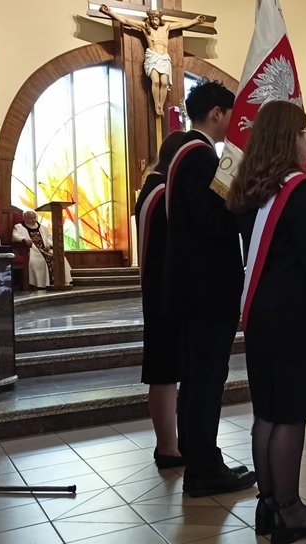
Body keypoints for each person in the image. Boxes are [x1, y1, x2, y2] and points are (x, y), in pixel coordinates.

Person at [227, 100, 306, 544]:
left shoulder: (250, 191)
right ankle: (291, 512)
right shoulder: (302, 192)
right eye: (304, 133)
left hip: (261, 315)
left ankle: (270, 504)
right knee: (291, 415)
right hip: (296, 318)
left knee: (267, 412)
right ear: (288, 138)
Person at [163, 80, 256, 496]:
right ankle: (204, 467)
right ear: (217, 113)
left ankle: (201, 459)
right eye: (231, 115)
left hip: (192, 287)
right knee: (206, 379)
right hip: (207, 289)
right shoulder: (201, 157)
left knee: (197, 378)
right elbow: (214, 223)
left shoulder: (184, 153)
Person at [133, 131, 186, 469]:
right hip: (165, 294)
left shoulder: (152, 189)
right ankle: (168, 447)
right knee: (164, 370)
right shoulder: (163, 193)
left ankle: (169, 444)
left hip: (159, 292)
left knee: (164, 370)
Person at [99, 4, 205, 117]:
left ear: (160, 19)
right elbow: (126, 20)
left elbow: (181, 24)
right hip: (153, 57)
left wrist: (195, 21)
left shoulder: (166, 27)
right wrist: (110, 12)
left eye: (156, 19)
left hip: (164, 58)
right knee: (156, 82)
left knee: (164, 83)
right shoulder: (145, 27)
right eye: (152, 19)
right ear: (149, 19)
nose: (154, 21)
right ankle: (156, 105)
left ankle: (161, 105)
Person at [11, 210, 72, 289]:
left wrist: (49, 245)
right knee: (39, 261)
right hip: (32, 251)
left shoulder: (43, 228)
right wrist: (24, 239)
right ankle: (42, 283)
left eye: (35, 218)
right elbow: (15, 236)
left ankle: (62, 281)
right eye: (31, 218)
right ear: (25, 218)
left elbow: (50, 238)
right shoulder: (19, 227)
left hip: (45, 250)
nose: (34, 220)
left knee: (59, 258)